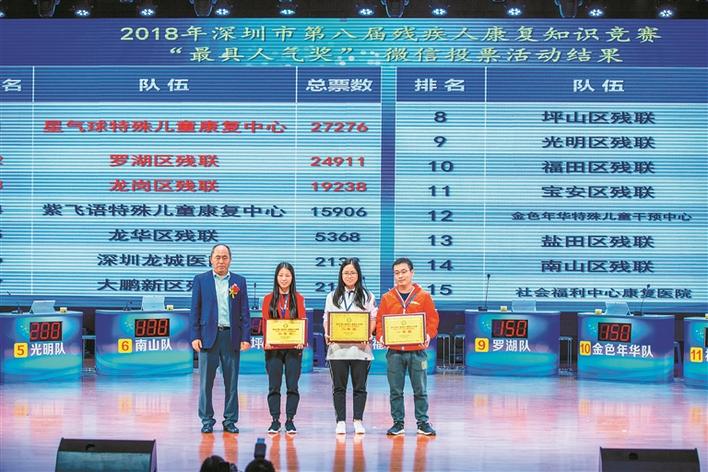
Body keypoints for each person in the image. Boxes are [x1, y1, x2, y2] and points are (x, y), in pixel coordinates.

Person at [190, 244, 251, 434]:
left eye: (225, 257)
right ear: (211, 259)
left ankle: (230, 420)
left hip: (231, 336)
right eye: (217, 257)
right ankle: (207, 420)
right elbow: (195, 310)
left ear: (230, 260)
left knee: (231, 383)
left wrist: (246, 337)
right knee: (205, 383)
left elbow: (245, 312)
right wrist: (195, 335)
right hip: (208, 337)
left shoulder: (239, 281)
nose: (221, 261)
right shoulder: (201, 280)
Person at [376, 257, 439, 436]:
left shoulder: (424, 296)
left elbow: (433, 320)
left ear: (412, 272)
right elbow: (380, 322)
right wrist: (382, 337)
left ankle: (422, 423)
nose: (400, 276)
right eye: (396, 273)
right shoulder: (387, 297)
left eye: (404, 272)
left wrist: (428, 335)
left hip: (417, 352)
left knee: (420, 389)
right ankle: (398, 423)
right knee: (395, 390)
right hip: (394, 353)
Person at [323, 257, 377, 435]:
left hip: (360, 350)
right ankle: (340, 421)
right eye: (346, 272)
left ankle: (358, 421)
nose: (349, 275)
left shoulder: (368, 296)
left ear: (358, 274)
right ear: (341, 275)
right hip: (337, 351)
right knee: (339, 387)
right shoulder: (332, 296)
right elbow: (327, 319)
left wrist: (367, 334)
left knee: (359, 387)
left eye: (353, 272)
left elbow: (373, 319)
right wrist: (328, 333)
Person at [261, 262, 306, 435]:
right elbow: (265, 322)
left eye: (287, 275)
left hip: (294, 349)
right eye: (281, 275)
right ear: (276, 277)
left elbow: (302, 321)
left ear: (292, 278)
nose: (284, 279)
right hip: (273, 349)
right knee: (274, 386)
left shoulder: (299, 298)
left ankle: (290, 420)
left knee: (292, 385)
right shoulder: (268, 299)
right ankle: (274, 420)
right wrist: (267, 341)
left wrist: (301, 340)